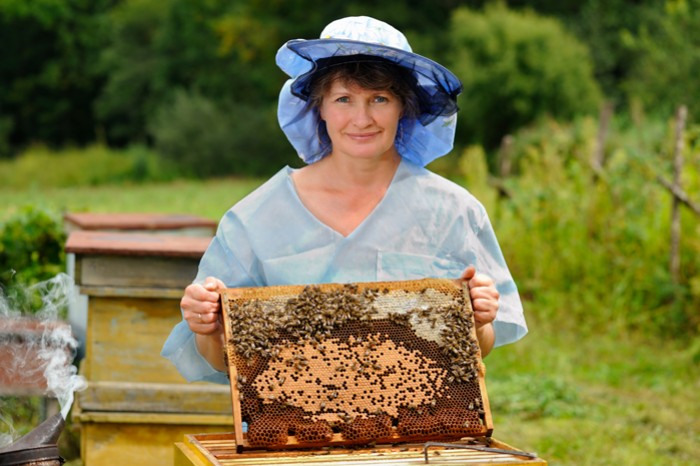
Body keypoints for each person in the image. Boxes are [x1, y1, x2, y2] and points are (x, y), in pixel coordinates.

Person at [162, 16, 527, 385]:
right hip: (298, 431)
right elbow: (225, 359)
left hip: (418, 437)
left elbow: (476, 348)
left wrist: (478, 320)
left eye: (379, 99)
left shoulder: (454, 212)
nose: (361, 118)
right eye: (343, 99)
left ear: (404, 107)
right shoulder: (255, 218)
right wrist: (206, 325)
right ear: (318, 107)